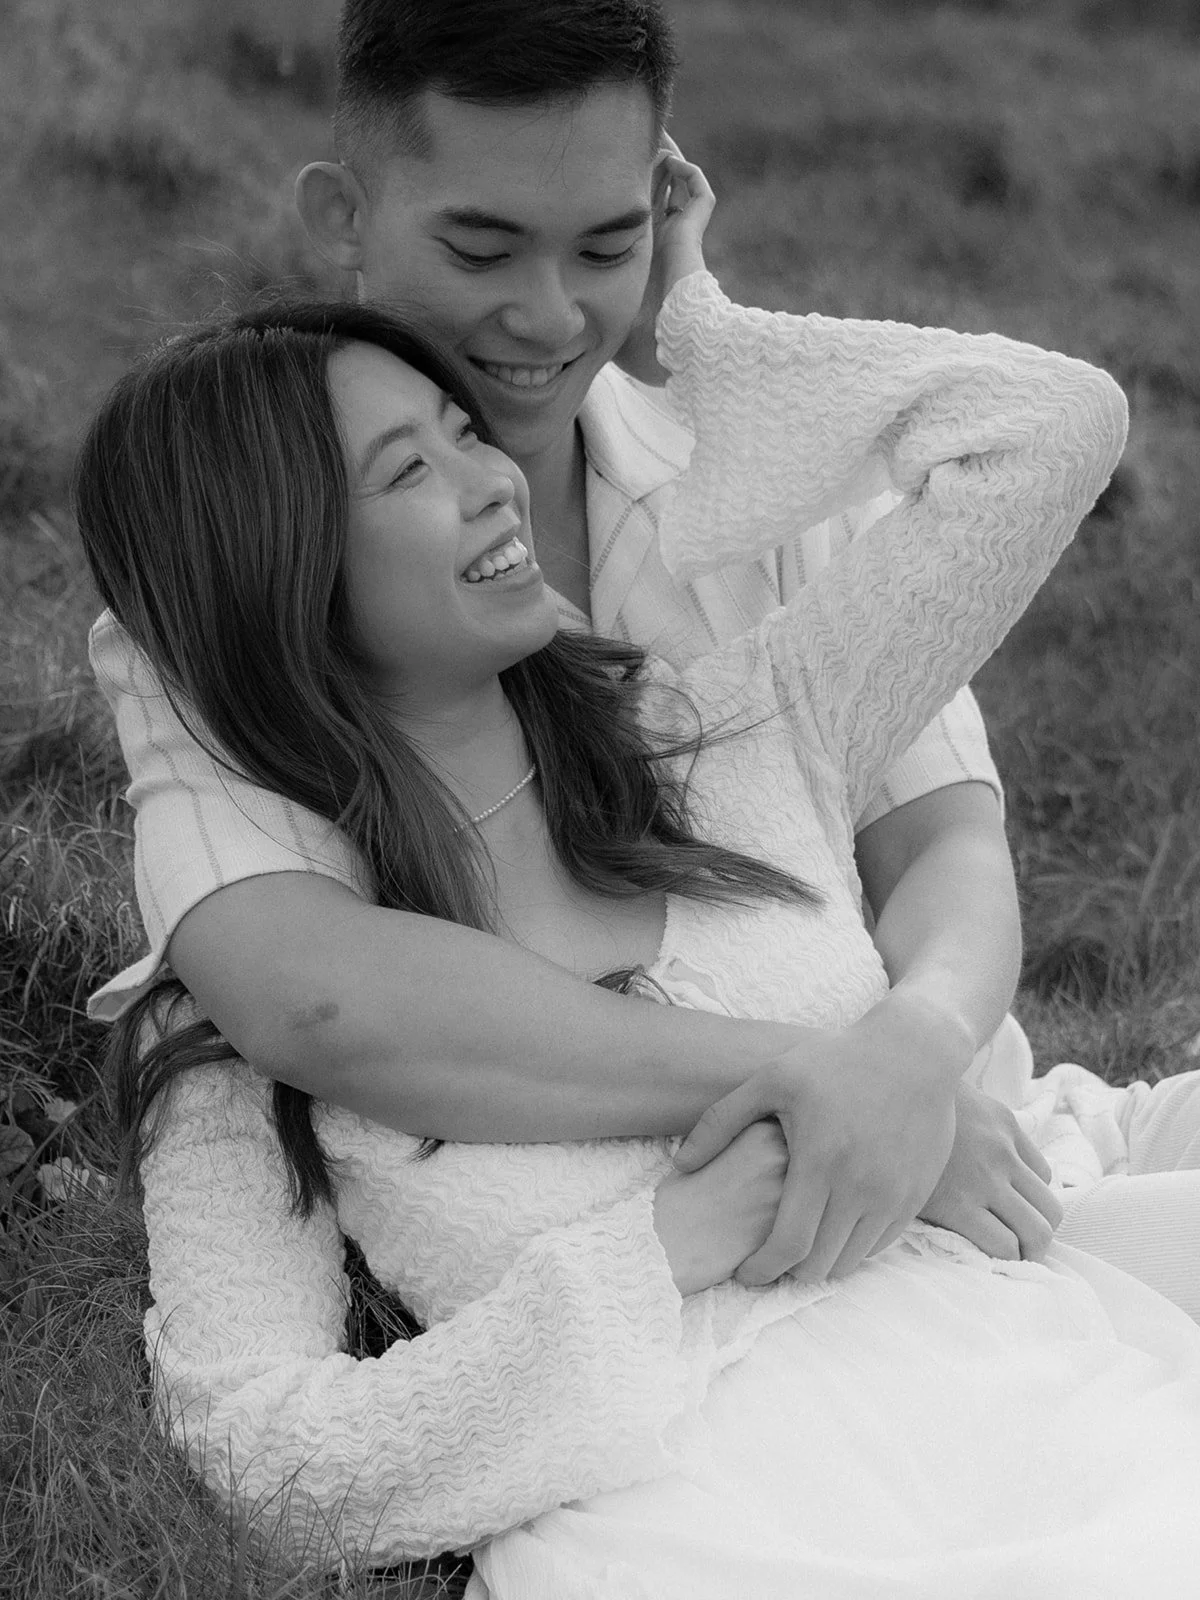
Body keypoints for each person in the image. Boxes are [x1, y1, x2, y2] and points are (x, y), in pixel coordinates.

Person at [78, 237, 1200, 1594]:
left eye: (462, 432)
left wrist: (696, 335)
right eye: (410, 471)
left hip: (1034, 1370)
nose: (499, 478)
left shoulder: (735, 729)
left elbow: (1047, 428)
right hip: (716, 1521)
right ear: (275, 567)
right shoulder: (247, 1011)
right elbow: (265, 1457)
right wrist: (676, 1241)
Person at [86, 0, 1053, 1288]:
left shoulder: (778, 481)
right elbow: (302, 986)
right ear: (342, 214)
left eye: (609, 247)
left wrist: (916, 1058)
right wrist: (823, 1083)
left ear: (667, 208)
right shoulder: (236, 584)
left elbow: (941, 834)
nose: (548, 318)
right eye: (482, 250)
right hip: (624, 1248)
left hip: (964, 1155)